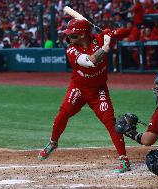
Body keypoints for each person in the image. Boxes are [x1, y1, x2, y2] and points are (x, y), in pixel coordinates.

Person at [38, 18, 132, 173]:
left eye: (72, 35)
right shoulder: (71, 50)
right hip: (79, 88)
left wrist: (111, 33)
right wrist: (107, 46)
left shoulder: (100, 39)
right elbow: (91, 61)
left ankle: (124, 159)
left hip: (98, 89)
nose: (69, 38)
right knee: (63, 114)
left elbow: (128, 31)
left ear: (83, 35)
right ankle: (53, 142)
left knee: (110, 122)